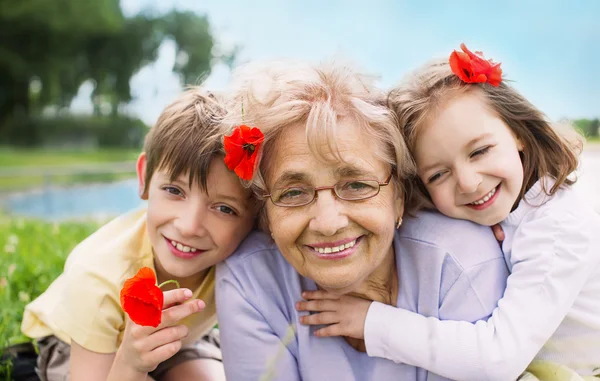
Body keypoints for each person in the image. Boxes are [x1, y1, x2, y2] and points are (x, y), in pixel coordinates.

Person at [298, 44, 600, 380]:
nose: (469, 183)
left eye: (480, 151)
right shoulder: (510, 211)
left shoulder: (557, 228)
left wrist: (372, 322)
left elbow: (497, 360)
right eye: (438, 174)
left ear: (518, 133)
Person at [215, 59, 509, 381]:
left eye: (356, 185)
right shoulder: (250, 280)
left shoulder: (459, 263)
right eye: (294, 193)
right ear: (267, 211)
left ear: (398, 196)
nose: (328, 223)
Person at [20, 89, 258, 381]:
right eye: (174, 191)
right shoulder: (98, 276)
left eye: (223, 208)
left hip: (179, 340)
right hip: (78, 345)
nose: (189, 226)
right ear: (145, 177)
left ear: (256, 217)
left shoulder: (246, 257)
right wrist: (131, 366)